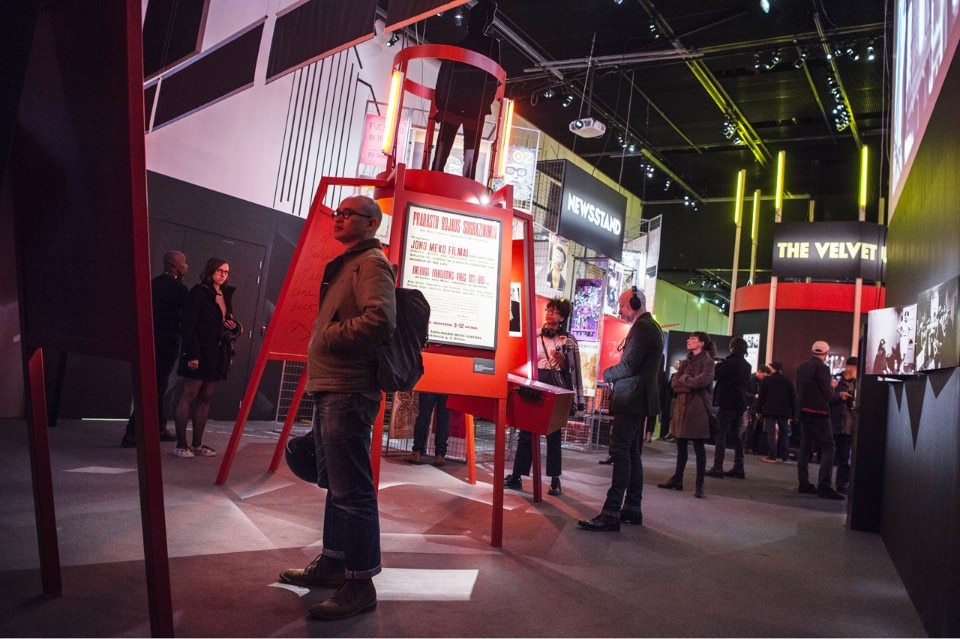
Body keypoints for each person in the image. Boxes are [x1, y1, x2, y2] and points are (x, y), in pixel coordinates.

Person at [278, 195, 396, 621]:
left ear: (370, 224)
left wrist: (328, 336)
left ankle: (359, 583)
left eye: (349, 214)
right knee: (338, 488)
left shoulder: (371, 263)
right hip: (332, 388)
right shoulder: (349, 262)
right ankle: (332, 563)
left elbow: (380, 319)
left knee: (353, 492)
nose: (340, 218)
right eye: (338, 212)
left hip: (348, 390)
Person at [577, 288, 662, 531]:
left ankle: (612, 511)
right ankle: (632, 508)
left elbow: (629, 365)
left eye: (623, 305)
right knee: (633, 453)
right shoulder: (651, 326)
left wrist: (606, 373)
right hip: (638, 398)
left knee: (622, 452)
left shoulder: (643, 327)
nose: (620, 310)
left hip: (631, 398)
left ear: (635, 303)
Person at [505, 297, 584, 496]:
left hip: (555, 388)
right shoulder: (535, 334)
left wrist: (563, 360)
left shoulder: (569, 340)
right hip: (535, 386)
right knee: (526, 431)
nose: (550, 314)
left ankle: (555, 480)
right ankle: (517, 475)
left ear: (563, 317)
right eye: (549, 310)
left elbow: (574, 371)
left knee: (553, 434)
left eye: (555, 311)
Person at [172, 257, 241, 459]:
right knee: (189, 395)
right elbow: (188, 325)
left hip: (217, 352)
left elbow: (226, 321)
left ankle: (197, 444)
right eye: (220, 270)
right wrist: (192, 354)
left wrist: (232, 325)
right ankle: (181, 444)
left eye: (226, 272)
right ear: (211, 270)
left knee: (206, 397)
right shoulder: (198, 292)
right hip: (198, 351)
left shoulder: (225, 294)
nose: (223, 274)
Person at [121, 250, 188, 448]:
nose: (187, 266)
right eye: (184, 263)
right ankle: (133, 431)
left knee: (158, 384)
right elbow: (183, 319)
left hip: (149, 341)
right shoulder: (179, 290)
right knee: (156, 386)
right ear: (175, 265)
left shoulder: (153, 284)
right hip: (167, 343)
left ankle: (158, 426)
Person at [430, 0, 500, 179]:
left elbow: (447, 73)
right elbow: (494, 77)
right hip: (473, 103)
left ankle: (437, 173)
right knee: (467, 146)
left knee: (448, 143)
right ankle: (464, 178)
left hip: (457, 101)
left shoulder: (461, 43)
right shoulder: (491, 45)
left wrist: (442, 102)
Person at [657, 332, 716, 499]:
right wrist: (688, 384)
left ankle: (700, 485)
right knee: (681, 445)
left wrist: (684, 380)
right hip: (682, 408)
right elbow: (674, 384)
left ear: (701, 343)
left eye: (693, 338)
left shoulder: (708, 362)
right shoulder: (686, 361)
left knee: (699, 448)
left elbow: (702, 381)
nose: (688, 340)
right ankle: (677, 479)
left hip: (698, 409)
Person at [796, 340, 844, 500]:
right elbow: (828, 395)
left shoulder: (802, 367)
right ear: (826, 353)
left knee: (805, 446)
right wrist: (834, 388)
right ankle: (824, 486)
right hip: (819, 413)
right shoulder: (823, 368)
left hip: (804, 411)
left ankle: (803, 482)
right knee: (828, 447)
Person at [706, 336, 752, 479]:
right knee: (736, 435)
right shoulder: (747, 365)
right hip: (740, 403)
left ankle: (718, 466)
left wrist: (717, 365)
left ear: (732, 348)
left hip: (727, 403)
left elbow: (715, 376)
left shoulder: (729, 363)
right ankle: (739, 467)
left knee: (720, 434)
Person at [756, 360, 796, 463]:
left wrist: (758, 410)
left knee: (771, 432)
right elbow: (793, 397)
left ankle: (772, 455)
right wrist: (793, 412)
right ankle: (785, 456)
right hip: (784, 411)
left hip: (770, 409)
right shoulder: (787, 380)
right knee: (784, 433)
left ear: (773, 368)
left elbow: (762, 397)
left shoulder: (767, 380)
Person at [830, 356, 859, 494]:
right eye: (854, 367)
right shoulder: (836, 379)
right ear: (849, 367)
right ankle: (825, 483)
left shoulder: (858, 382)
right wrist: (839, 396)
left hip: (849, 424)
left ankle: (842, 484)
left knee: (845, 457)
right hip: (835, 422)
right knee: (830, 455)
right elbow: (828, 397)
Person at [405, 393, 451, 467]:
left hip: (430, 383)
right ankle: (440, 455)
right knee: (444, 417)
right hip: (448, 384)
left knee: (424, 415)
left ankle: (417, 452)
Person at [742, 364, 770, 455]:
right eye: (763, 375)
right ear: (759, 371)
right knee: (748, 427)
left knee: (754, 428)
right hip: (749, 406)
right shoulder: (750, 379)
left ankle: (753, 447)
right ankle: (746, 447)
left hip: (756, 407)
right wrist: (754, 396)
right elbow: (743, 392)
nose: (764, 377)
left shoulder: (762, 382)